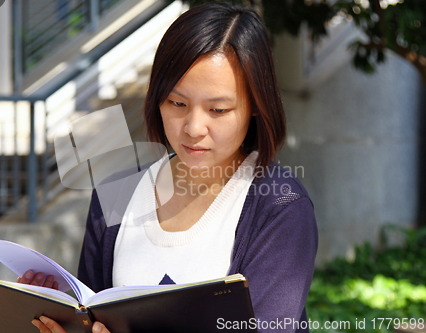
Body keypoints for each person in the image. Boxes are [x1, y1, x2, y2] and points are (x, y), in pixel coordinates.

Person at [22, 2, 318, 333]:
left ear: (255, 106)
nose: (193, 127)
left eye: (218, 110)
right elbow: (92, 312)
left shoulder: (280, 207)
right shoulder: (115, 195)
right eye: (177, 103)